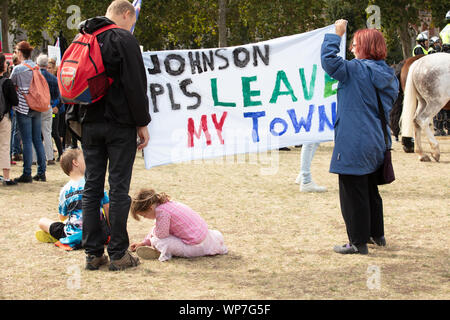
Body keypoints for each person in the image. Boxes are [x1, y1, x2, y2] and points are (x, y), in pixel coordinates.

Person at [77, 0, 151, 271]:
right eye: (132, 21)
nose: (132, 26)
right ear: (125, 14)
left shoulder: (83, 36)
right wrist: (142, 122)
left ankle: (93, 253)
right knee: (118, 188)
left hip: (90, 125)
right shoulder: (123, 39)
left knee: (91, 188)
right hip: (119, 125)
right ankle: (118, 253)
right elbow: (135, 85)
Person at [321, 20, 399, 255]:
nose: (352, 49)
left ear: (365, 47)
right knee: (369, 190)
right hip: (376, 140)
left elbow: (329, 62)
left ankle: (357, 242)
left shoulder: (356, 70)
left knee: (352, 191)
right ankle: (377, 235)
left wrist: (336, 34)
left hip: (354, 141)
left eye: (355, 45)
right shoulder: (388, 73)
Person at [36, 149, 110, 251]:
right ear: (75, 162)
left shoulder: (65, 190)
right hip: (99, 234)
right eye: (84, 159)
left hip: (74, 234)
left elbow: (62, 216)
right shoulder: (94, 182)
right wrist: (111, 231)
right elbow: (107, 207)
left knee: (42, 221)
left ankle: (60, 237)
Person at [129, 189, 228, 262]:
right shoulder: (166, 205)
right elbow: (156, 227)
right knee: (157, 232)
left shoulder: (162, 212)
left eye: (144, 215)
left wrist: (151, 241)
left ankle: (160, 251)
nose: (145, 218)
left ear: (150, 208)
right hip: (206, 236)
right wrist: (143, 243)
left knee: (159, 241)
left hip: (194, 245)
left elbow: (161, 235)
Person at [10, 41, 47, 183]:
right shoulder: (36, 67)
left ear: (20, 53)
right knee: (37, 139)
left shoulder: (18, 69)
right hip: (36, 106)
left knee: (26, 141)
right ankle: (41, 172)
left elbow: (11, 84)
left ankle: (27, 173)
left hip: (23, 107)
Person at [0, 54, 19, 186]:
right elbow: (15, 101)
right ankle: (6, 177)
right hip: (4, 116)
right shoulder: (6, 82)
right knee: (5, 146)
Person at [34, 54, 56, 165]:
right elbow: (58, 95)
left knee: (35, 133)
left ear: (37, 64)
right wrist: (53, 105)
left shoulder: (34, 76)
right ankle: (50, 157)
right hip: (48, 106)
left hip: (36, 106)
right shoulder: (53, 78)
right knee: (47, 132)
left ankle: (33, 158)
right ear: (47, 65)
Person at [46, 58, 63, 161]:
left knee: (55, 132)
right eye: (47, 68)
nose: (48, 70)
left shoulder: (56, 80)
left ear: (54, 69)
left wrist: (55, 106)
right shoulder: (45, 79)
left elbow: (60, 96)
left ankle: (61, 153)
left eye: (50, 68)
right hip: (47, 109)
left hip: (55, 110)